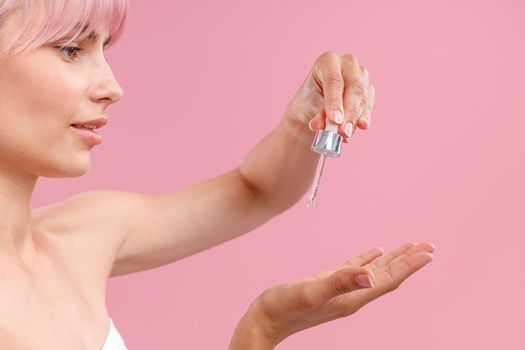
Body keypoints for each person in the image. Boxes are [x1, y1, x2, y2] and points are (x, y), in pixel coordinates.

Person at [0, 0, 435, 349]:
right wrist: (259, 331)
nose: (112, 87)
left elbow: (253, 191)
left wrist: (302, 118)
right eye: (71, 49)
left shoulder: (81, 235)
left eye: (103, 50)